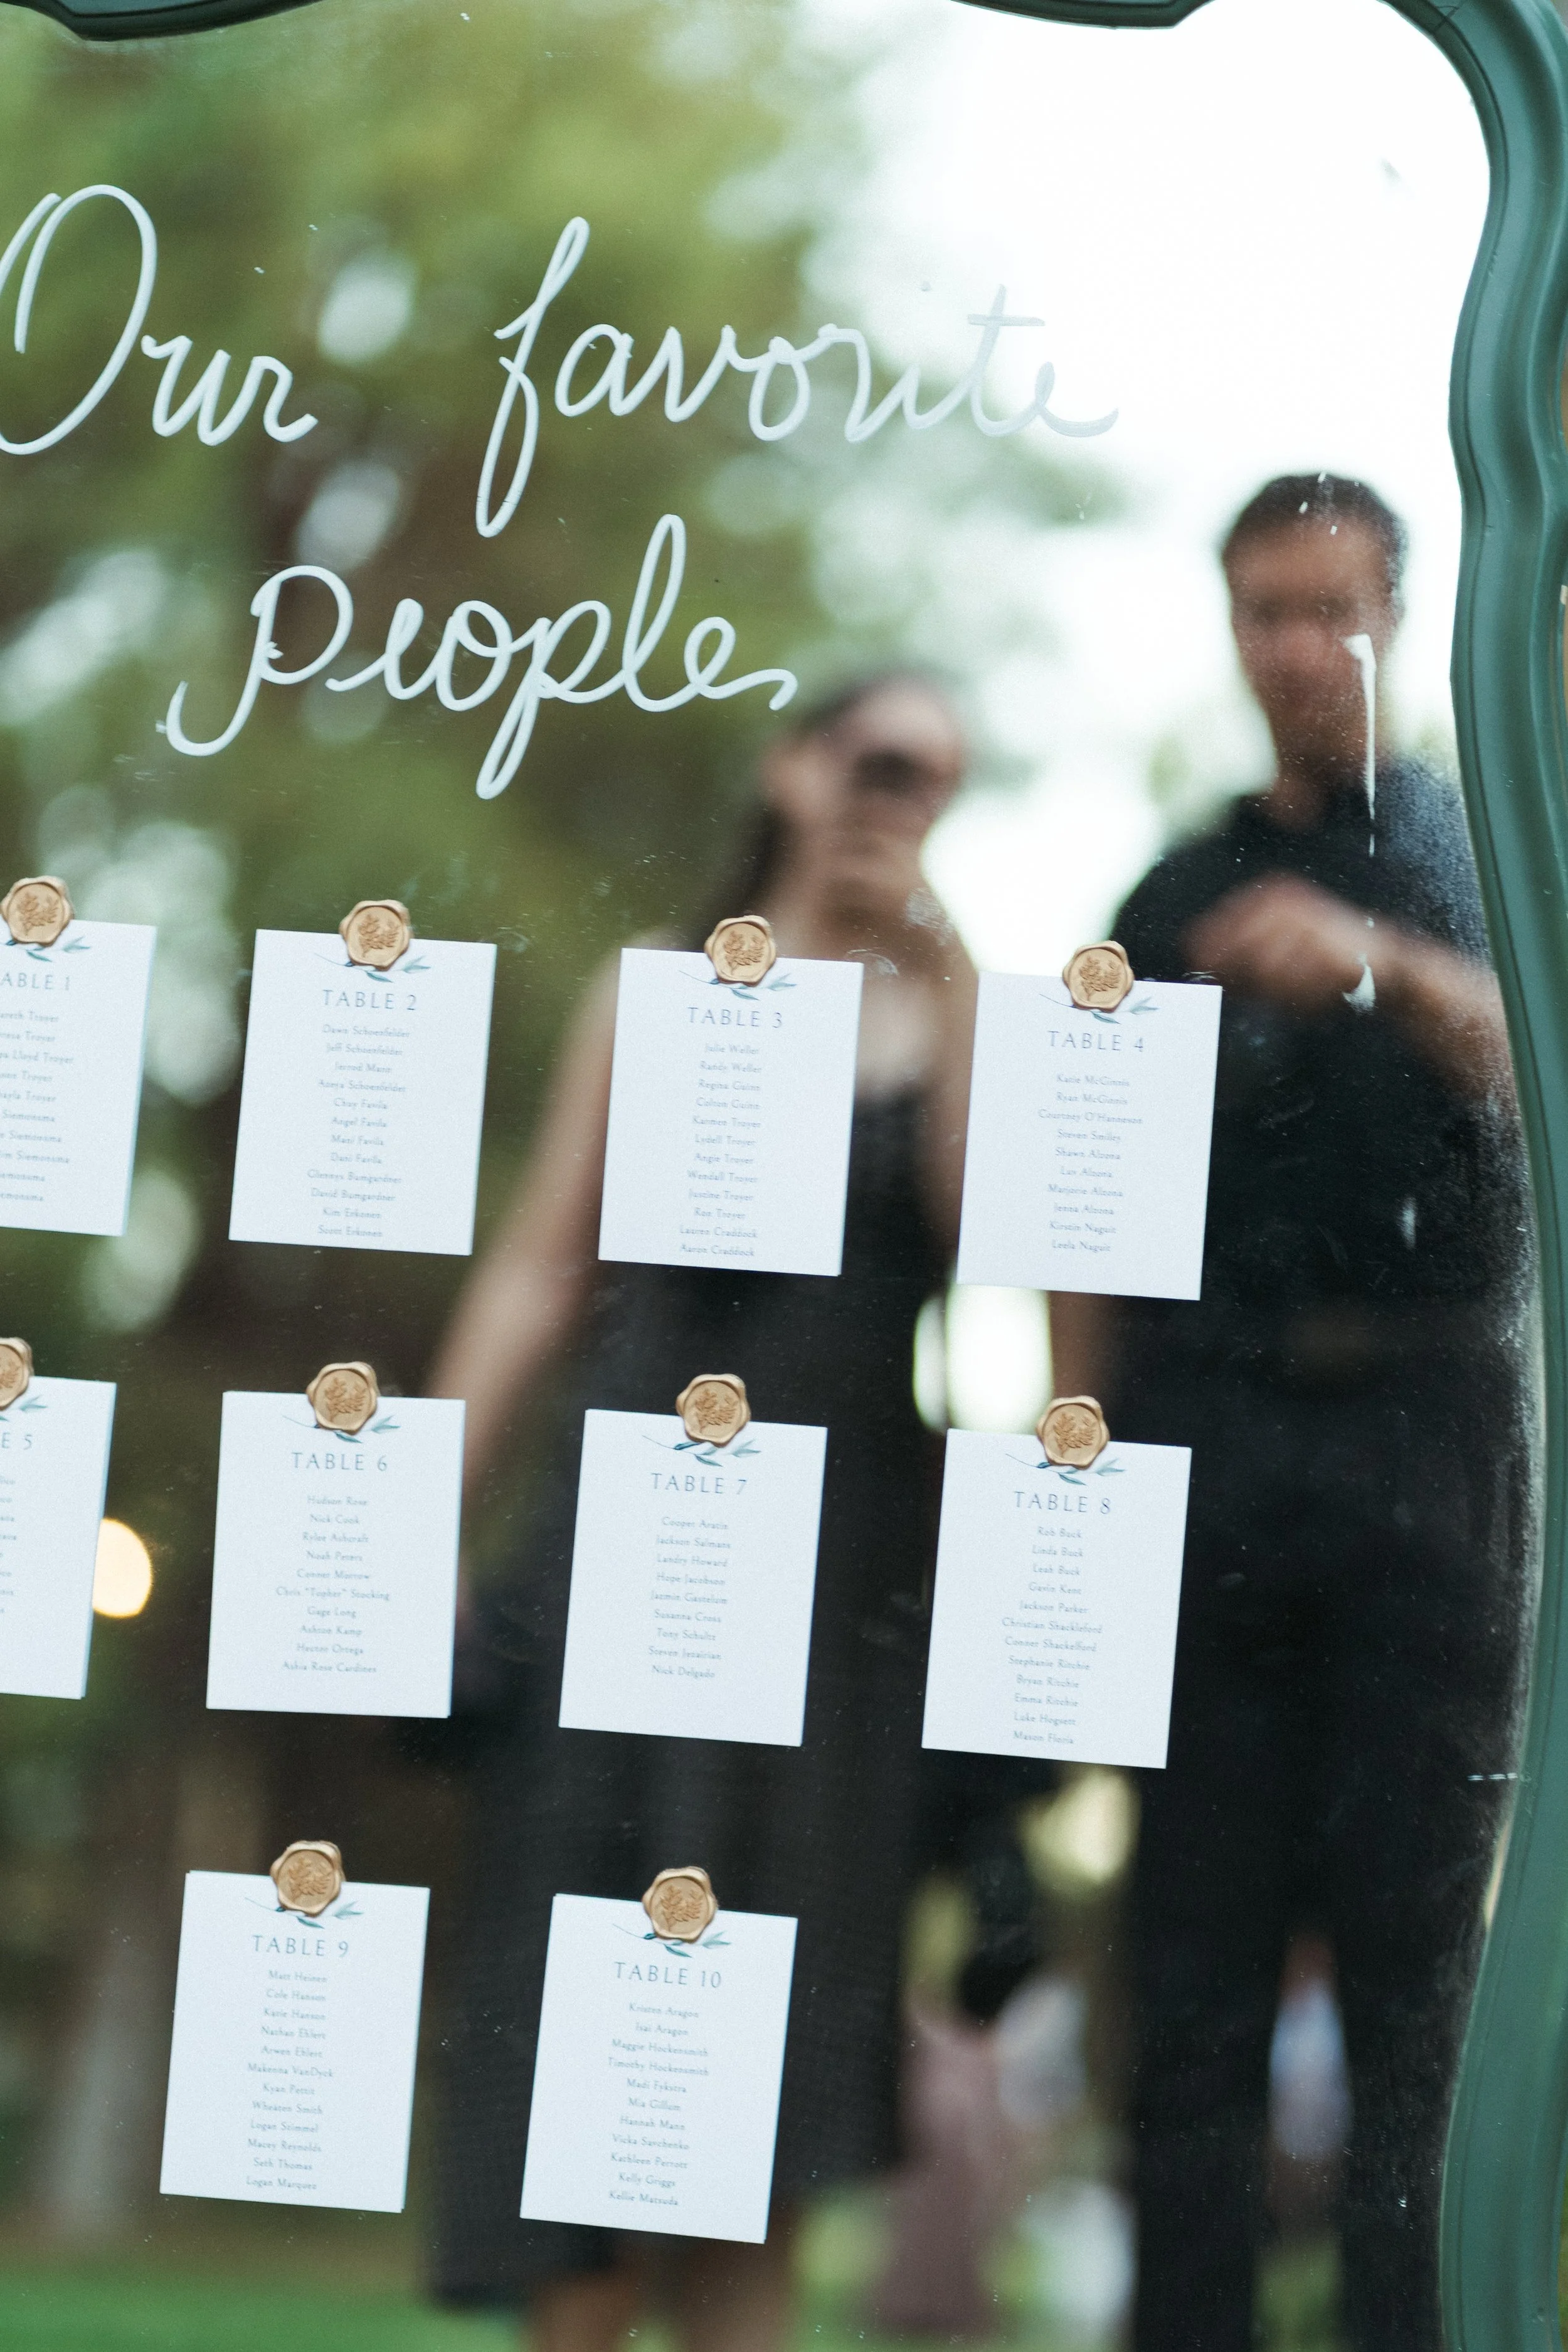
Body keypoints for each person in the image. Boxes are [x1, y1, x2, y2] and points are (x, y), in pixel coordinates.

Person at [426, 674, 975, 2352]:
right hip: (628, 1558)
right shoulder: (656, 984)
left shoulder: (951, 1009)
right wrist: (405, 1519)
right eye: (879, 762)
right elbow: (540, 1259)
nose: (899, 801)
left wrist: (946, 979)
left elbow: (991, 1238)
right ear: (793, 766)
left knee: (773, 2092)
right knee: (586, 2061)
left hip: (834, 1594)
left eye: (939, 782)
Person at [1049, 475, 1533, 2352]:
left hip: (1429, 1451)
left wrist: (1384, 967)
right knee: (1190, 1980)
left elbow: (1530, 1073)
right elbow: (1078, 1211)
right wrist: (1075, 1483)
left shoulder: (1484, 858)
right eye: (1256, 610)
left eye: (1322, 608)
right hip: (1205, 1470)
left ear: (1395, 611)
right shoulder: (1165, 898)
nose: (1288, 649)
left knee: (1419, 1984)